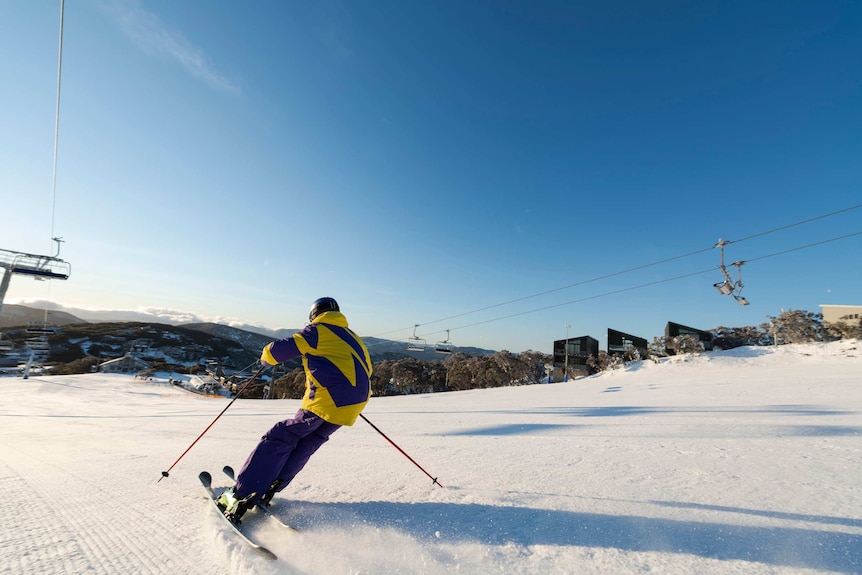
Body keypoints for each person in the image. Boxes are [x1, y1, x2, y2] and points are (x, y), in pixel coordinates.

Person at [217, 297, 372, 523]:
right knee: (309, 440)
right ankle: (270, 486)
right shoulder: (353, 337)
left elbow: (277, 351)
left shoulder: (317, 331)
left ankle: (242, 495)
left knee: (282, 435)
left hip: (327, 399)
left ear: (314, 314)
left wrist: (265, 358)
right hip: (354, 402)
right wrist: (348, 396)